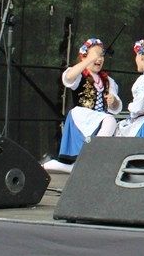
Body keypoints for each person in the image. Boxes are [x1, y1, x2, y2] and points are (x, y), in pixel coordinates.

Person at [45, 38, 122, 174]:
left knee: (113, 123)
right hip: (82, 117)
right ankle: (90, 156)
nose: (99, 59)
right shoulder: (80, 75)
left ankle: (70, 164)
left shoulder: (108, 81)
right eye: (96, 55)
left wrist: (113, 101)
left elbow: (116, 108)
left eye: (102, 56)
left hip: (99, 120)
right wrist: (87, 61)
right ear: (84, 56)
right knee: (110, 120)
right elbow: (68, 78)